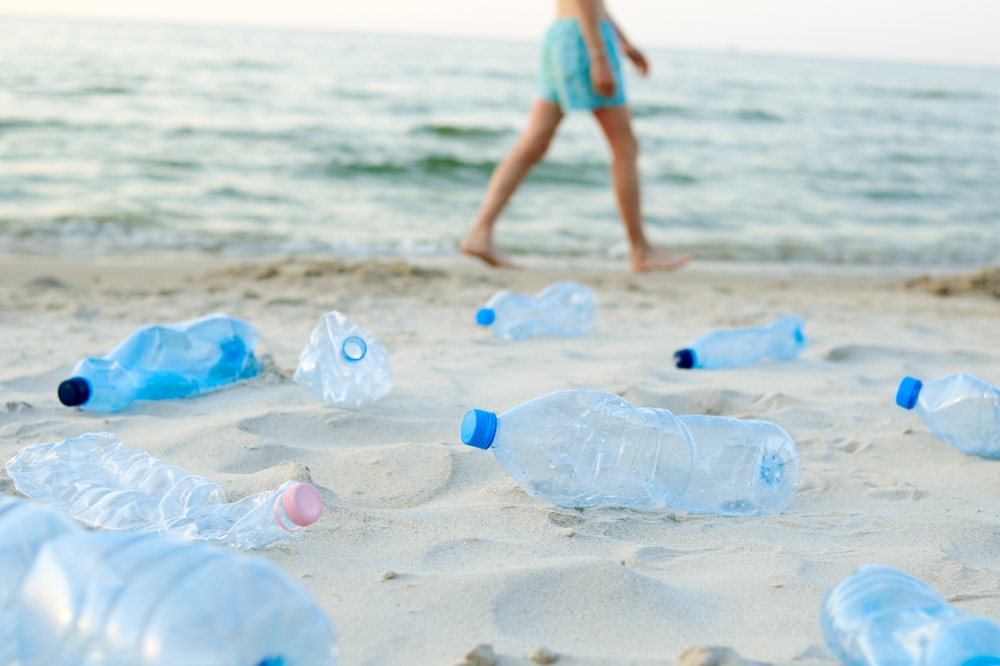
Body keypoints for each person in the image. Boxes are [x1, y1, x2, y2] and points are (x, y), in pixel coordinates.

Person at [460, 0, 694, 273]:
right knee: (625, 146)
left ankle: (480, 233)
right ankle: (640, 250)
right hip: (586, 40)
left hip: (563, 37)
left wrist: (622, 41)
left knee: (535, 142)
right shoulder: (593, 48)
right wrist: (599, 55)